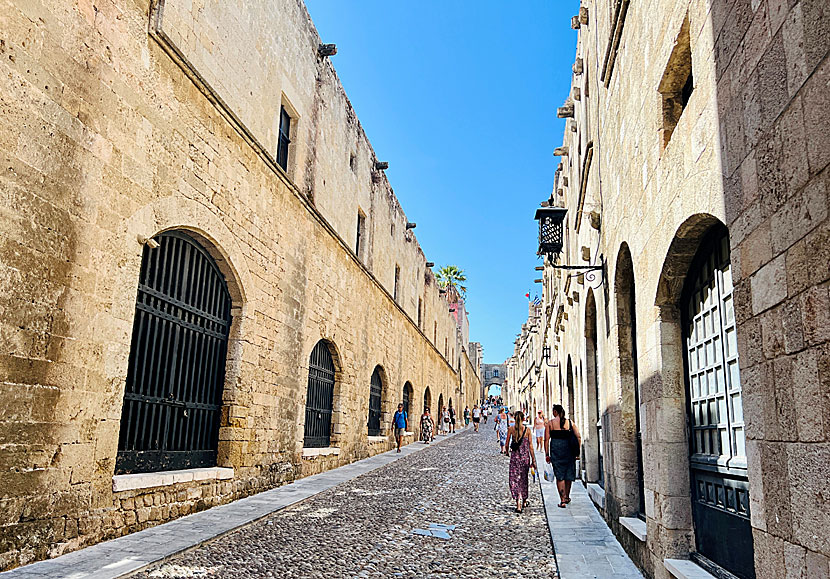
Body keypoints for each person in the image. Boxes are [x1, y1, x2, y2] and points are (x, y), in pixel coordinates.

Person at [545, 404, 582, 508]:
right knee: (568, 474)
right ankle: (567, 496)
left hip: (556, 450)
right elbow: (578, 436)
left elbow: (546, 439)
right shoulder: (570, 422)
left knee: (560, 475)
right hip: (569, 450)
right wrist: (577, 451)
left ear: (555, 412)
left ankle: (562, 500)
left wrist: (547, 453)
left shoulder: (550, 423)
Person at [505, 410, 536, 513]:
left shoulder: (511, 429)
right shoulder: (527, 430)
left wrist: (506, 452)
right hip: (525, 458)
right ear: (523, 418)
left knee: (514, 480)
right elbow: (530, 446)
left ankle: (518, 503)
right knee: (524, 479)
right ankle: (524, 500)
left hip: (515, 458)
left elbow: (507, 443)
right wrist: (533, 459)